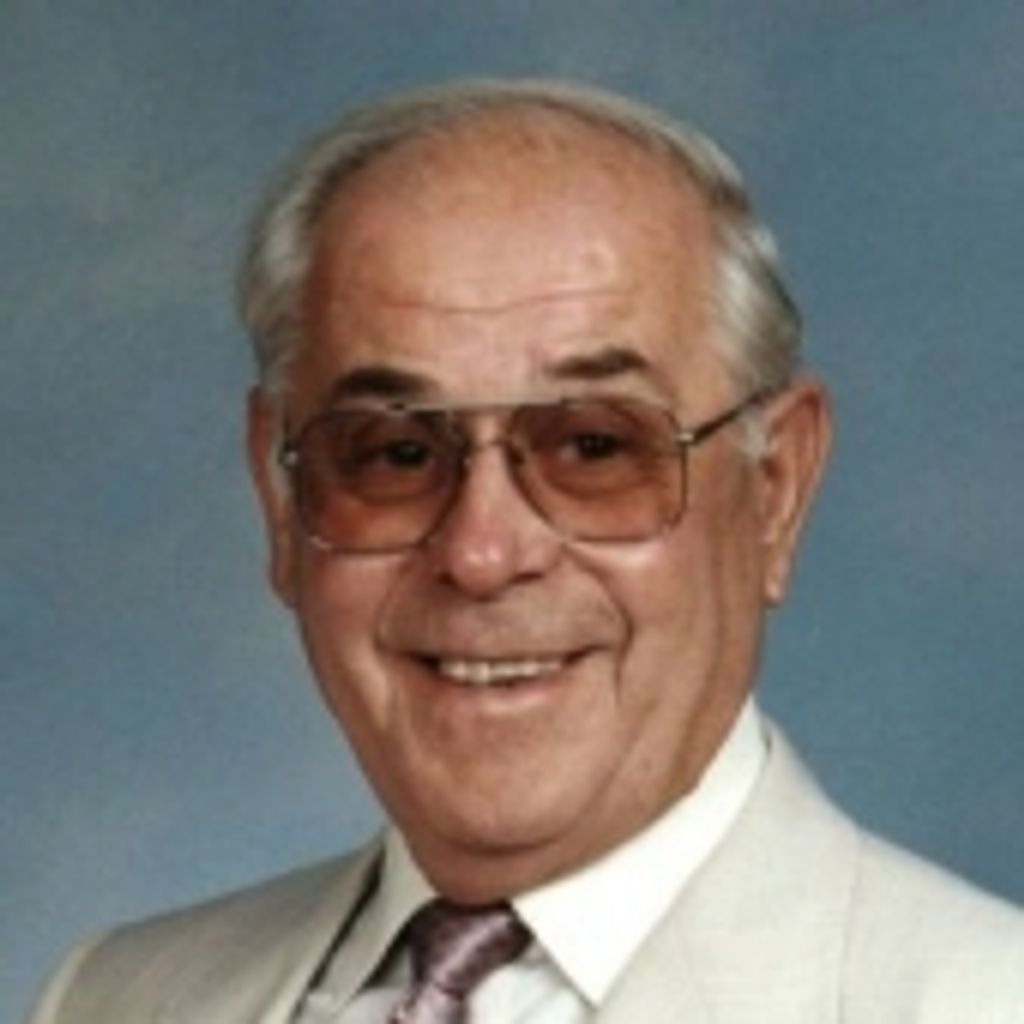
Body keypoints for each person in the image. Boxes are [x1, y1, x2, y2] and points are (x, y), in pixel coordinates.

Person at [30, 78, 1024, 1023]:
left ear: (774, 490)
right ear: (280, 499)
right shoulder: (113, 997)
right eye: (396, 452)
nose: (482, 554)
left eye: (593, 446)